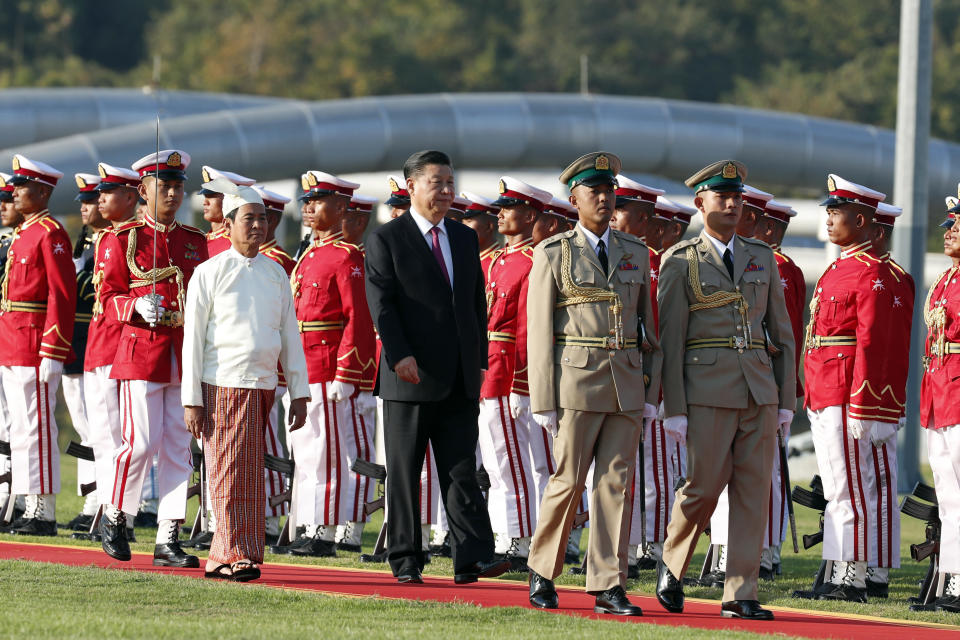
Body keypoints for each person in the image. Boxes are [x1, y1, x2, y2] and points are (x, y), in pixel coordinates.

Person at [655, 160, 795, 621]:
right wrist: (673, 406)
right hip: (706, 389)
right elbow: (670, 341)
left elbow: (783, 334)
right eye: (723, 197)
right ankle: (672, 565)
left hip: (758, 390)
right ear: (701, 203)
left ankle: (740, 593)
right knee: (703, 489)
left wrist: (785, 400)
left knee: (754, 493)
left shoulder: (761, 257)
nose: (733, 204)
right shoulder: (681, 260)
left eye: (737, 197)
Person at [526, 151, 660, 616]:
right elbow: (540, 331)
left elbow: (649, 328)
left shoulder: (635, 252)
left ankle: (607, 583)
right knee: (567, 480)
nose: (604, 198)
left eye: (609, 191)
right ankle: (543, 571)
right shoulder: (553, 252)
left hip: (625, 380)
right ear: (574, 199)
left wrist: (652, 389)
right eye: (594, 192)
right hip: (575, 380)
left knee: (615, 485)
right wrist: (542, 398)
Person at [365, 149, 507, 585]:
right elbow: (382, 305)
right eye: (436, 183)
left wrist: (478, 362)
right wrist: (399, 354)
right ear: (411, 188)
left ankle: (473, 557)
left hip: (460, 374)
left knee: (461, 468)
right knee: (405, 471)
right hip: (409, 373)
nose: (446, 191)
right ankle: (406, 556)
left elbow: (472, 307)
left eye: (450, 183)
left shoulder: (464, 238)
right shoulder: (387, 238)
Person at [182, 179, 309, 581]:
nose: (258, 226)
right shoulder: (209, 271)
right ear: (230, 224)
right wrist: (192, 399)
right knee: (226, 470)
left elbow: (290, 334)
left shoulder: (275, 273)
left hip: (262, 386)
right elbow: (193, 341)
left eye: (263, 219)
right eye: (249, 219)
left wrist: (300, 392)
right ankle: (232, 552)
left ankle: (235, 554)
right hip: (220, 384)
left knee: (251, 471)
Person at [795, 175, 911, 603]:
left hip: (847, 390)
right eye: (827, 210)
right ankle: (842, 569)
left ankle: (852, 576)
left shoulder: (870, 273)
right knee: (839, 485)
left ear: (861, 220)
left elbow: (873, 342)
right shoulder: (838, 267)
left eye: (836, 211)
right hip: (825, 386)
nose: (828, 218)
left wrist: (868, 403)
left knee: (850, 487)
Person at [97, 149, 208, 566]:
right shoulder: (123, 239)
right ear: (144, 190)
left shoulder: (194, 241)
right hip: (142, 351)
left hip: (182, 352)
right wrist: (134, 306)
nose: (175, 194)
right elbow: (106, 298)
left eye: (179, 186)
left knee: (179, 447)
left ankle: (168, 536)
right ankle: (116, 515)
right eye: (166, 187)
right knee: (140, 443)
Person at [286, 170, 376, 557]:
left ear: (340, 208)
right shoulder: (309, 254)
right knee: (305, 452)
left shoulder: (346, 256)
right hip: (305, 364)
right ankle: (308, 523)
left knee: (329, 452)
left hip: (328, 363)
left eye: (317, 201)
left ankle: (324, 529)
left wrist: (347, 371)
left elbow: (358, 317)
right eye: (306, 201)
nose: (308, 207)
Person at [477, 176, 553, 571]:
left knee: (515, 460)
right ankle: (509, 535)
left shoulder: (531, 261)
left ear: (530, 215)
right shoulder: (496, 262)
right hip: (489, 368)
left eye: (510, 208)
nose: (500, 213)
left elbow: (528, 328)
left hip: (510, 374)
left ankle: (521, 541)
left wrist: (522, 383)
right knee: (497, 460)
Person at [0, 155, 75, 536]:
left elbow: (61, 296)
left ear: (43, 192)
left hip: (34, 343)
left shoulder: (50, 233)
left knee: (37, 427)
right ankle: (28, 504)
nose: (14, 191)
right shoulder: (23, 233)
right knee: (21, 430)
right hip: (12, 340)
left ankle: (42, 509)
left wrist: (53, 349)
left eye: (22, 186)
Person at [84, 162, 141, 541]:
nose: (99, 197)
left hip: (117, 348)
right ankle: (110, 512)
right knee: (103, 437)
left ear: (131, 197)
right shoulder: (108, 237)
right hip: (99, 345)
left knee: (118, 438)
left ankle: (117, 515)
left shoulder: (130, 237)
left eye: (109, 192)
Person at [754, 199, 806, 579]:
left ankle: (767, 553)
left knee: (766, 473)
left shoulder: (779, 267)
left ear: (768, 229)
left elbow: (781, 335)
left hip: (767, 385)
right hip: (753, 383)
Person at [914, 207, 960, 612]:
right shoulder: (946, 279)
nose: (949, 232)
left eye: (959, 227)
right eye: (949, 226)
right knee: (947, 496)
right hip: (940, 393)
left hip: (958, 392)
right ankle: (950, 582)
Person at [61, 172, 101, 530]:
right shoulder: (86, 240)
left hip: (94, 341)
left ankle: (101, 502)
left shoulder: (109, 241)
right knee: (84, 427)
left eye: (93, 201)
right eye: (86, 202)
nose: (88, 208)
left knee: (100, 428)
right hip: (76, 342)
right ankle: (91, 500)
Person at [199, 166, 256, 257]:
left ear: (231, 199)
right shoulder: (198, 241)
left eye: (212, 196)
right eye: (205, 196)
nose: (205, 202)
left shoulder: (236, 244)